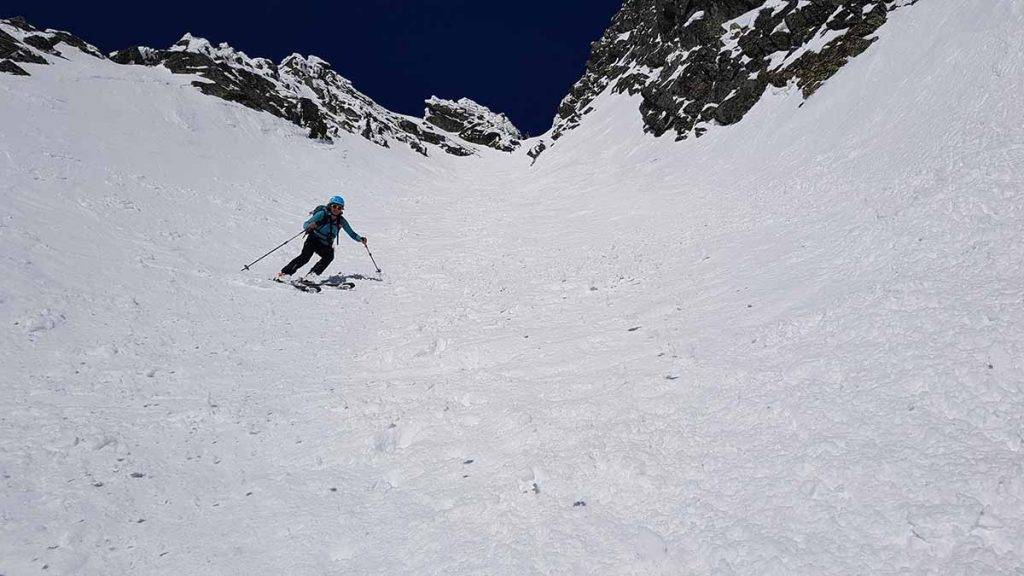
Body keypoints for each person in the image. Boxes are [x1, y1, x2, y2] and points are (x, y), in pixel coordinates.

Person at [276, 195, 367, 282]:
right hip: (313, 239)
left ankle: (311, 276)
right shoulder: (321, 214)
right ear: (330, 206)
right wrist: (310, 226)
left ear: (341, 209)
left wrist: (360, 239)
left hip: (325, 244)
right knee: (305, 257)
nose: (336, 209)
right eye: (334, 206)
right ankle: (284, 274)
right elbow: (306, 224)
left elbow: (351, 233)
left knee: (329, 256)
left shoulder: (341, 221)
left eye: (339, 208)